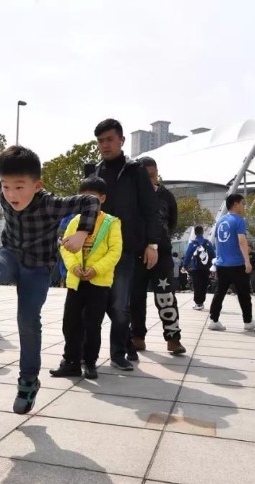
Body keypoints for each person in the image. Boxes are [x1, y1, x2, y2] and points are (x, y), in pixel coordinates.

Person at [0, 145, 100, 414]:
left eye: (20, 187)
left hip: (38, 267)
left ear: (37, 185)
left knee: (27, 322)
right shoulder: (4, 191)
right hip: (10, 252)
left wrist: (82, 233)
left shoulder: (50, 204)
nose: (12, 195)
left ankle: (28, 381)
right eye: (7, 187)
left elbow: (90, 201)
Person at [84, 119, 161, 371]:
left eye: (109, 139)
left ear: (121, 140)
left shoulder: (135, 171)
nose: (104, 145)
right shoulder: (94, 172)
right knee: (95, 305)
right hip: (94, 249)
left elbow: (150, 209)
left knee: (119, 305)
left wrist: (152, 244)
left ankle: (118, 354)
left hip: (124, 249)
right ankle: (107, 348)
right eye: (100, 141)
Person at [50, 176, 122, 380]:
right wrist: (73, 267)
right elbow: (65, 247)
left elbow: (115, 251)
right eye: (83, 198)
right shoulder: (74, 221)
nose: (87, 202)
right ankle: (71, 361)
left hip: (98, 283)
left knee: (92, 325)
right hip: (76, 282)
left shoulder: (111, 223)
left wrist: (96, 269)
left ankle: (89, 362)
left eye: (92, 198)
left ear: (103, 198)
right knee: (70, 323)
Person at [129, 156, 185, 355]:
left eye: (151, 176)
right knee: (135, 297)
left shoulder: (166, 196)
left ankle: (173, 338)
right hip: (136, 255)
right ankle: (137, 337)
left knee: (166, 296)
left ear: (157, 174)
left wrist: (157, 242)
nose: (148, 181)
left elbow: (172, 223)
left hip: (162, 254)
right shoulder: (130, 196)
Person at [207, 194, 255, 332]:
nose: (244, 206)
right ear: (235, 204)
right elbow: (242, 241)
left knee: (219, 293)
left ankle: (213, 320)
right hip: (237, 264)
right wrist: (247, 261)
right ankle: (248, 321)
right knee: (244, 294)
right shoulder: (238, 220)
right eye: (242, 203)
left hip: (222, 264)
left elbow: (218, 242)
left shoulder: (220, 221)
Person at [183, 225, 216, 310]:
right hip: (206, 268)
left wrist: (185, 265)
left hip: (195, 268)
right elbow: (213, 255)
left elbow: (188, 255)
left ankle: (198, 303)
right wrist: (213, 265)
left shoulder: (193, 243)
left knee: (197, 285)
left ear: (195, 233)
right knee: (204, 285)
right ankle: (202, 302)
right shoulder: (208, 242)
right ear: (202, 232)